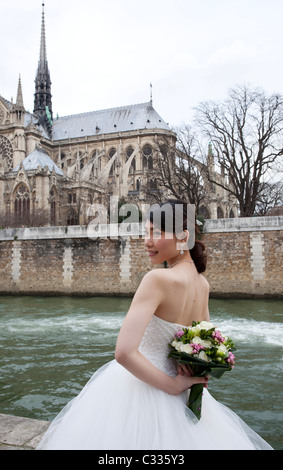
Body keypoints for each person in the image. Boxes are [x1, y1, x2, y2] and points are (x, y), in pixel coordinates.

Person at [37, 199, 273, 450]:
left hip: (147, 391)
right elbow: (206, 346)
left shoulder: (157, 279)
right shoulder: (202, 285)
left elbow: (124, 353)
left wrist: (172, 386)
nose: (146, 241)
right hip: (184, 396)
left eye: (156, 233)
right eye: (145, 232)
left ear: (183, 237)